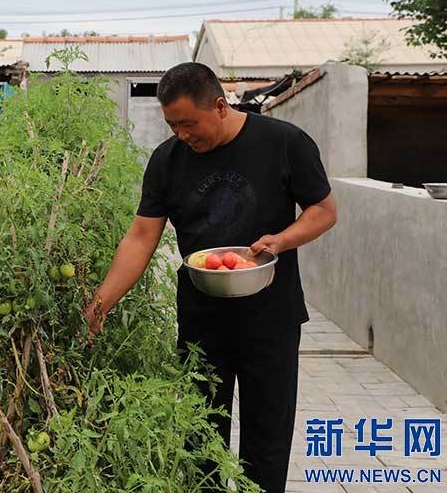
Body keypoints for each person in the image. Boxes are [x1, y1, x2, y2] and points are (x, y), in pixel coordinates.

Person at [84, 62, 337, 492]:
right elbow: (142, 236)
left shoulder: (284, 143)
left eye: (189, 123)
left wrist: (280, 240)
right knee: (200, 440)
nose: (182, 134)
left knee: (267, 441)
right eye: (173, 125)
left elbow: (324, 211)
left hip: (270, 319)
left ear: (220, 106)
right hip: (201, 321)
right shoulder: (166, 160)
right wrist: (101, 302)